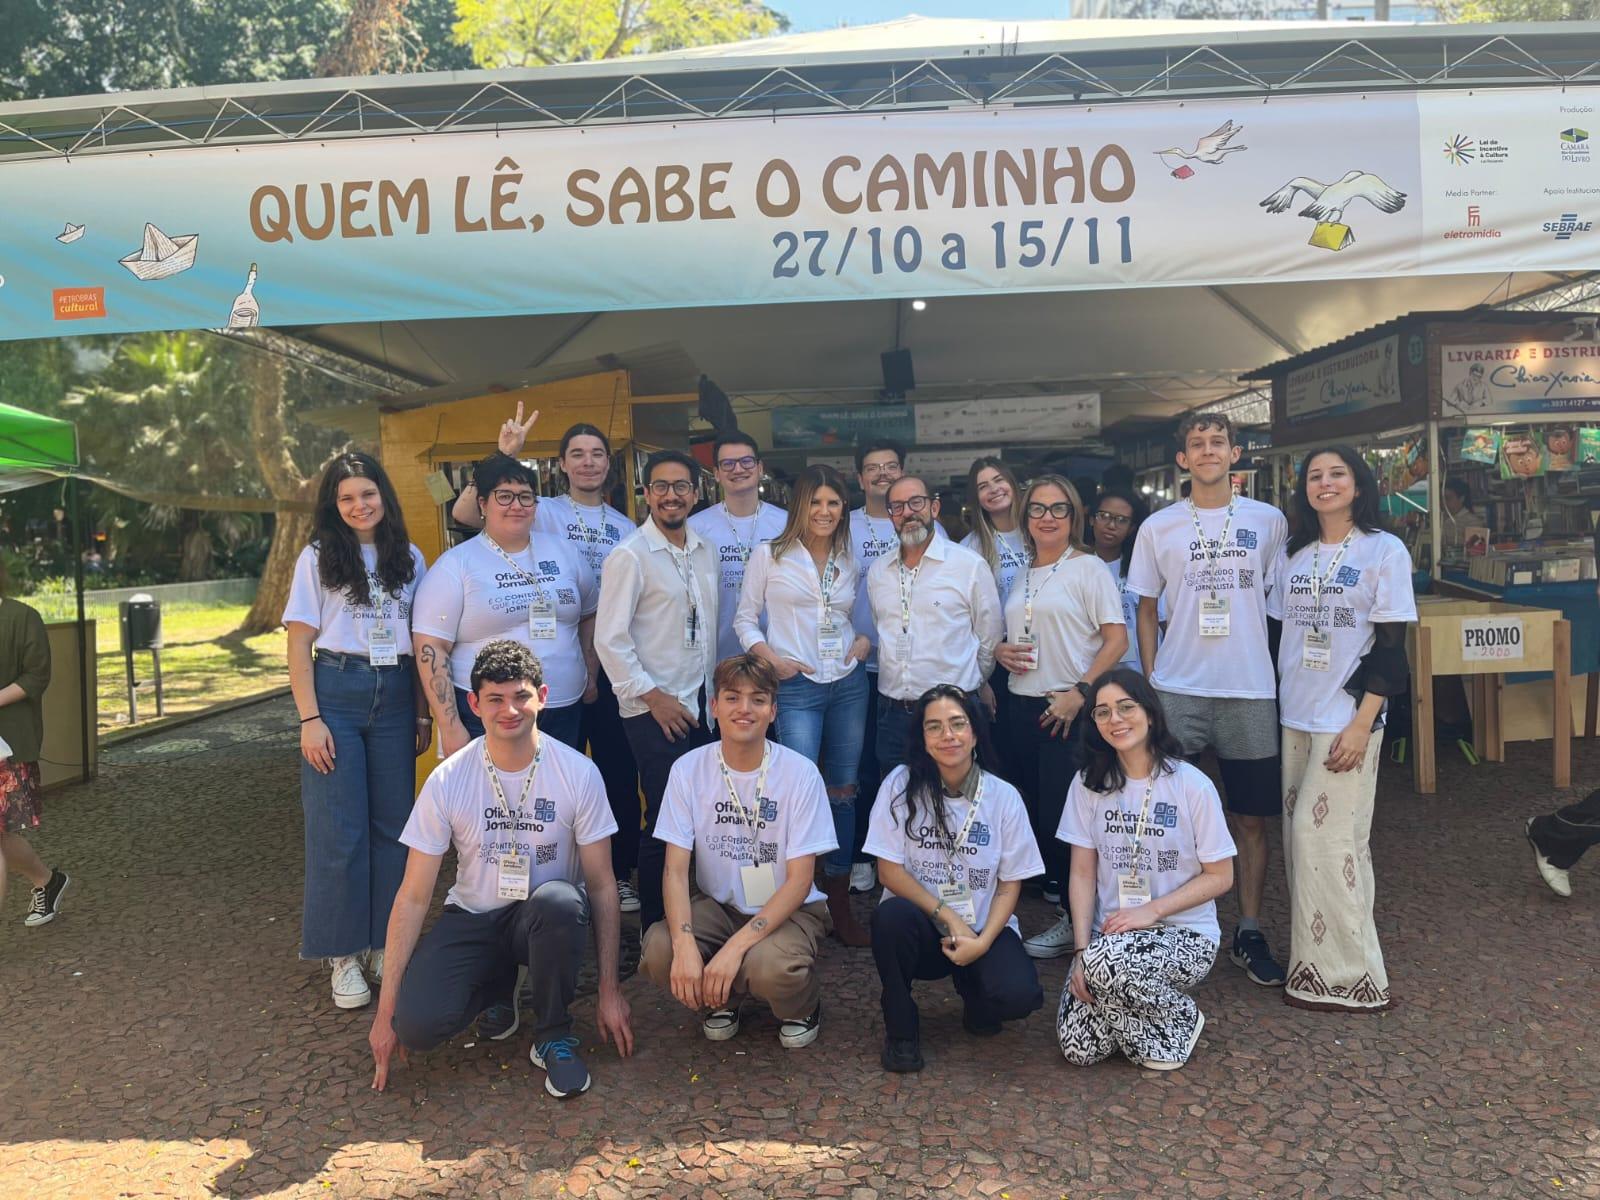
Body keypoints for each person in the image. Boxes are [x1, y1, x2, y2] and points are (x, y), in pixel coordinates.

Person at [368, 641, 631, 1100]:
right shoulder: (448, 779)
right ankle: (497, 988)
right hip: (475, 915)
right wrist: (385, 1008)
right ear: (474, 703)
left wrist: (609, 990)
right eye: (495, 698)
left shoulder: (578, 772)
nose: (509, 710)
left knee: (562, 902)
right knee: (417, 1027)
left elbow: (603, 885)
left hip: (542, 917)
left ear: (543, 697)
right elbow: (412, 896)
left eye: (521, 696)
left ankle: (553, 1034)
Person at [1126, 411, 1289, 987]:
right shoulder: (1159, 526)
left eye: (1218, 441)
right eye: (1197, 444)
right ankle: (1171, 926)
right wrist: (1150, 678)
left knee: (1250, 818)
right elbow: (1146, 606)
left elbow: (1279, 605)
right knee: (1166, 816)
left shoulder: (1269, 521)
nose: (1208, 451)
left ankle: (1247, 928)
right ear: (1182, 460)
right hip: (1179, 690)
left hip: (1248, 690)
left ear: (1236, 452)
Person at [1268, 447, 1415, 1012]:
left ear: (1359, 485)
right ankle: (1317, 967)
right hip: (1295, 716)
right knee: (1323, 846)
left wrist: (1364, 721)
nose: (1325, 484)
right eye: (1314, 476)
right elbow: (1279, 633)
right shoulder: (1294, 553)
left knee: (1318, 837)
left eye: (1337, 475)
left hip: (1347, 720)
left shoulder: (1384, 550)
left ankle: (1352, 977)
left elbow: (1392, 646)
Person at [284, 452, 429, 1008]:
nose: (358, 506)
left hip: (394, 694)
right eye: (346, 498)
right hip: (336, 693)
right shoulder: (318, 556)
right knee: (337, 829)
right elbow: (298, 643)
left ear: (383, 496)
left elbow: (421, 643)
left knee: (394, 827)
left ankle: (380, 942)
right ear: (333, 505)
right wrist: (310, 719)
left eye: (367, 494)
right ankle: (341, 952)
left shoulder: (409, 556)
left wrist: (419, 713)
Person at [640, 654, 836, 1047]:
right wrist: (684, 946)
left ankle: (801, 1005)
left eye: (758, 699)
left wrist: (734, 949)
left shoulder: (799, 773)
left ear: (773, 710)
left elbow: (800, 880)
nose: (744, 709)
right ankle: (721, 998)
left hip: (788, 908)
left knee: (769, 967)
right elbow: (675, 870)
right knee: (660, 948)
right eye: (732, 698)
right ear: (714, 706)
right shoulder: (689, 769)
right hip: (718, 904)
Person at [1055, 670, 1236, 1071]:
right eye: (1102, 713)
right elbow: (1082, 874)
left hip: (1184, 934)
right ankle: (1132, 1007)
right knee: (1079, 1049)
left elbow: (1221, 876)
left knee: (1107, 970)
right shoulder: (1087, 784)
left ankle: (1180, 1015)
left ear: (1150, 713)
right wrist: (1083, 951)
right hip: (1110, 940)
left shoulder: (1191, 785)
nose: (1115, 720)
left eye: (1125, 707)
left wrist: (1152, 911)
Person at [865, 685, 1045, 1073]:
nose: (948, 736)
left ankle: (975, 992)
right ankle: (901, 1030)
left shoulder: (1003, 796)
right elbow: (889, 871)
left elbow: (1011, 883)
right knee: (889, 918)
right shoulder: (899, 784)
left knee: (1019, 996)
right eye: (934, 727)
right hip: (922, 927)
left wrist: (980, 943)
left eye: (957, 724)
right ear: (922, 739)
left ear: (975, 732)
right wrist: (949, 916)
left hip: (983, 928)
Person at [735, 465, 873, 946]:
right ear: (799, 506)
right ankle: (798, 894)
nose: (825, 511)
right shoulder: (769, 555)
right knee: (797, 789)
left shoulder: (848, 555)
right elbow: (745, 620)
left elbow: (850, 620)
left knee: (843, 790)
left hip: (848, 686)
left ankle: (838, 898)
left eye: (833, 503)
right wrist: (772, 661)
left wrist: (860, 642)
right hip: (795, 688)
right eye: (815, 502)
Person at [994, 476, 1127, 960]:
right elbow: (1018, 629)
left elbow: (1117, 640)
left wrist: (1081, 693)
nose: (1047, 518)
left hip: (1066, 710)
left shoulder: (1088, 568)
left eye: (1058, 509)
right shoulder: (1024, 572)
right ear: (1026, 518)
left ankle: (1082, 927)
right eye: (1037, 510)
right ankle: (1074, 917)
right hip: (1019, 705)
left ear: (1074, 516)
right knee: (1037, 818)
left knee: (1066, 821)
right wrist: (1000, 650)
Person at [595, 450, 719, 931]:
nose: (672, 495)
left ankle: (697, 913)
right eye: (662, 487)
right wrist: (654, 697)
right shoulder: (629, 556)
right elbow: (610, 638)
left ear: (695, 493)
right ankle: (654, 926)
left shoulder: (704, 550)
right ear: (647, 494)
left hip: (701, 706)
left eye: (682, 486)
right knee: (665, 819)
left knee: (701, 814)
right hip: (654, 708)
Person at [414, 452, 597, 755]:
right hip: (487, 716)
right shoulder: (456, 565)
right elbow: (430, 646)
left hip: (563, 708)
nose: (517, 505)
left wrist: (590, 671)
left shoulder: (565, 553)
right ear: (483, 504)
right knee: (494, 801)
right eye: (505, 496)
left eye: (526, 497)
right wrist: (449, 726)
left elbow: (590, 614)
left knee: (554, 800)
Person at [534, 422, 644, 916]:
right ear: (561, 464)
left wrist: (599, 675)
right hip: (555, 672)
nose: (588, 462)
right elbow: (470, 513)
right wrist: (505, 452)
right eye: (576, 453)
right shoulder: (542, 512)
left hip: (613, 668)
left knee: (617, 775)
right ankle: (560, 876)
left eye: (597, 454)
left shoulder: (626, 527)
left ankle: (619, 875)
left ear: (608, 463)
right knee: (558, 778)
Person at [868, 475, 1003, 774]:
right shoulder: (879, 571)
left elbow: (990, 635)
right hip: (893, 713)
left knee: (958, 802)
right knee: (897, 806)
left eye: (916, 502)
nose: (908, 513)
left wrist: (969, 683)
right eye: (898, 507)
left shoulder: (968, 566)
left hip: (954, 712)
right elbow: (884, 628)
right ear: (890, 515)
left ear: (934, 508)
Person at [846, 439, 906, 895]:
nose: (882, 474)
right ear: (861, 479)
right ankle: (863, 856)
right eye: (873, 468)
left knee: (899, 767)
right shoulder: (842, 527)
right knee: (859, 764)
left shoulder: (924, 524)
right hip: (851, 666)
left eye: (891, 467)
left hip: (905, 670)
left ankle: (902, 855)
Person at [688, 431, 787, 665]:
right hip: (716, 656)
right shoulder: (695, 527)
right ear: (716, 474)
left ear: (760, 468)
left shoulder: (787, 524)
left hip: (777, 654)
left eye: (746, 462)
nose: (738, 469)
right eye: (728, 464)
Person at [0, 568, 64, 929]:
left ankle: (46, 880)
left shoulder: (21, 617)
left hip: (7, 744)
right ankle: (46, 880)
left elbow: (37, 676)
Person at [961, 457, 1027, 781]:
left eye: (998, 480)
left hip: (1048, 653)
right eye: (983, 486)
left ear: (1013, 483)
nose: (993, 489)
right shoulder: (970, 548)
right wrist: (982, 678)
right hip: (998, 660)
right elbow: (965, 621)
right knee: (1006, 758)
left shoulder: (1039, 528)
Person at [1089, 488, 1157, 672]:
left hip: (1141, 673)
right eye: (1104, 516)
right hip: (1092, 673)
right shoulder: (1077, 567)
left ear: (1131, 529)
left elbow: (1162, 621)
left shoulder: (1143, 565)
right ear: (1091, 519)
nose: (1111, 525)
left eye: (1121, 520)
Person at [449, 403, 540, 530]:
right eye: (576, 454)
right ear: (563, 463)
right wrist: (503, 455)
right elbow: (463, 514)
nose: (516, 506)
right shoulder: (530, 504)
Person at [1441, 477, 1485, 552]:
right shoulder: (1441, 518)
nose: (1444, 502)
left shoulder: (1473, 522)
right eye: (1442, 499)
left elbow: (1475, 552)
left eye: (1448, 498)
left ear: (1461, 498)